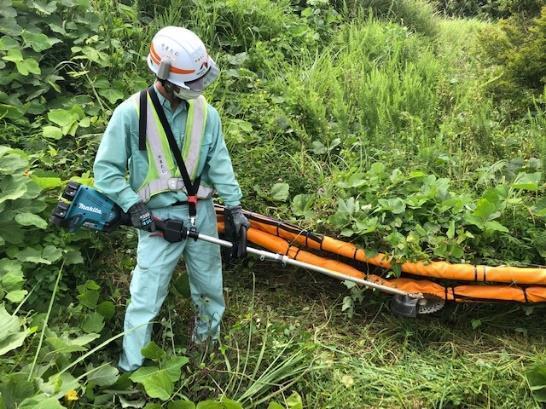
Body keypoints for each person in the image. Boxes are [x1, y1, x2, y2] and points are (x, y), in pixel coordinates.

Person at [93, 26, 249, 372]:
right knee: (145, 297)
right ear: (164, 76)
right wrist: (133, 207)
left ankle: (207, 353)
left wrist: (235, 207)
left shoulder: (206, 113)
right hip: (158, 220)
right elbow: (106, 171)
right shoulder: (131, 113)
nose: (198, 88)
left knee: (209, 287)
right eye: (190, 82)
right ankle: (132, 369)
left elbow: (219, 161)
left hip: (201, 212)